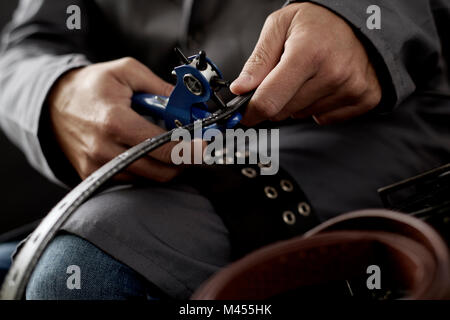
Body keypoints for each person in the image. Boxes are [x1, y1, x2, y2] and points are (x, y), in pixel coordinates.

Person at [0, 0, 449, 300]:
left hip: (371, 138)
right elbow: (29, 41)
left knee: (75, 276)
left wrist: (358, 17)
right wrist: (56, 92)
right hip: (172, 162)